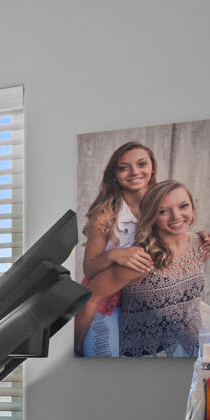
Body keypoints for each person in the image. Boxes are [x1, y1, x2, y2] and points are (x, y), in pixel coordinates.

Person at [115, 180, 210, 357]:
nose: (176, 216)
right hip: (147, 352)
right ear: (151, 216)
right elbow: (94, 296)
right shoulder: (140, 258)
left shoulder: (200, 244)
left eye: (183, 206)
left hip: (192, 342)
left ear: (192, 207)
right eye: (163, 211)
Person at [75, 141, 158, 355]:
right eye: (124, 167)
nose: (134, 172)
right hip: (105, 297)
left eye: (141, 164)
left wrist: (203, 237)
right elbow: (89, 269)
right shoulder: (105, 215)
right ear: (115, 174)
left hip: (146, 296)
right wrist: (114, 255)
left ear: (152, 168)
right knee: (103, 355)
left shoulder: (165, 205)